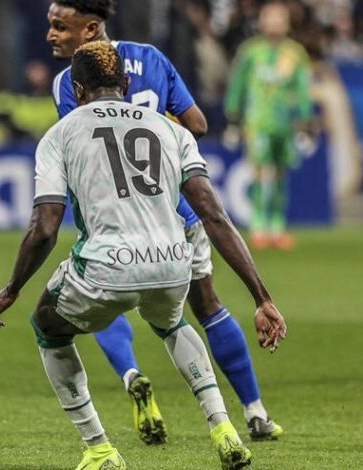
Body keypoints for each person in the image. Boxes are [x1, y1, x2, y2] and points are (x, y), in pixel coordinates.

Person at [0, 40, 286, 470]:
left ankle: (99, 449)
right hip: (172, 263)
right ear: (125, 84)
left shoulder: (62, 133)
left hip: (108, 267)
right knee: (172, 321)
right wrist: (262, 297)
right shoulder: (171, 130)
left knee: (48, 326)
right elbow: (215, 217)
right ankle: (224, 428)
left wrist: (13, 287)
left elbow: (45, 227)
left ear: (77, 87)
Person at [46, 0, 283, 444]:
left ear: (90, 28)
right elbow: (197, 122)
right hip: (178, 216)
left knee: (101, 304)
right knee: (206, 306)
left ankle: (131, 373)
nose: (51, 35)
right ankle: (254, 412)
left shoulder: (68, 83)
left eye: (60, 26)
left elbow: (85, 147)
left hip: (113, 217)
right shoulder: (152, 59)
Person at [224, 0, 313, 250]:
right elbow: (238, 85)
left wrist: (306, 120)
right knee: (261, 171)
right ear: (261, 21)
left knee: (282, 173)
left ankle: (277, 226)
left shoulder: (295, 53)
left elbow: (303, 89)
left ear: (286, 22)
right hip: (258, 121)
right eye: (269, 17)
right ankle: (259, 226)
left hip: (285, 122)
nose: (274, 22)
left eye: (279, 17)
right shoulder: (251, 52)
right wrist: (232, 116)